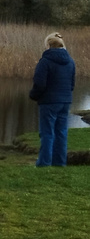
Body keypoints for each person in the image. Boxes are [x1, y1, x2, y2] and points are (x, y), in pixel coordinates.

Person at [29, 32, 76, 167]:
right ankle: (60, 163)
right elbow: (72, 84)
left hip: (49, 102)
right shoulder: (71, 62)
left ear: (48, 45)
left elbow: (40, 84)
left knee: (47, 133)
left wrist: (33, 95)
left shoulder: (45, 62)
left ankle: (44, 163)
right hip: (65, 101)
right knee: (61, 133)